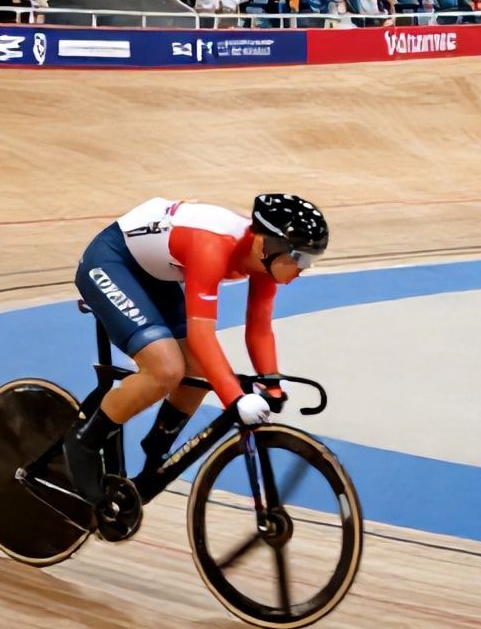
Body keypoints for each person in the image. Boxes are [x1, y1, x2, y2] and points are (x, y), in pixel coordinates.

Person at [62, 194, 329, 502]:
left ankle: (156, 453)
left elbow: (258, 329)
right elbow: (202, 337)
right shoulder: (213, 245)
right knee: (166, 369)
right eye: (300, 258)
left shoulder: (263, 260)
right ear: (266, 245)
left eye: (310, 261)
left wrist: (272, 381)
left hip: (155, 274)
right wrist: (235, 399)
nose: (302, 269)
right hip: (111, 261)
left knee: (202, 373)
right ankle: (84, 442)